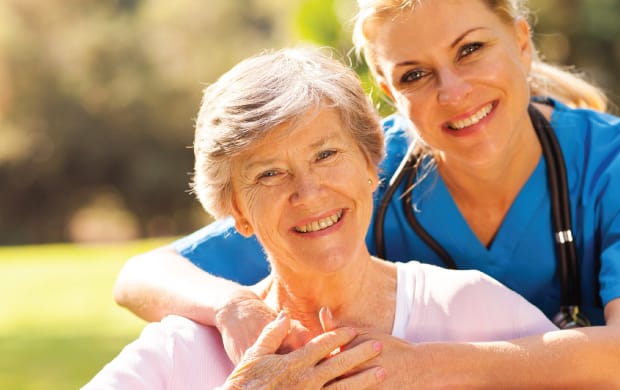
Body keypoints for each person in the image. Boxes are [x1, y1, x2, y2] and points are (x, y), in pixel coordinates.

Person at [114, 0, 620, 388]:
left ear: (521, 40)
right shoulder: (347, 171)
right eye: (415, 74)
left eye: (470, 50)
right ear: (386, 90)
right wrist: (231, 305)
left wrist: (422, 368)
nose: (454, 91)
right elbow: (140, 275)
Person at [86, 47, 557, 389]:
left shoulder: (479, 311)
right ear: (236, 212)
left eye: (327, 154)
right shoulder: (178, 352)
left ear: (372, 165)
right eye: (270, 173)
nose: (308, 193)